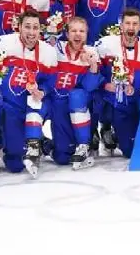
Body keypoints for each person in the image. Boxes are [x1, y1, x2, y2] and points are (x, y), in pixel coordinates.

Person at [0, 10, 58, 177]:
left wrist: (42, 91)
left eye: (35, 27)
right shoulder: (4, 44)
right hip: (8, 107)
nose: (31, 32)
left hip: (30, 106)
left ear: (40, 29)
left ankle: (36, 139)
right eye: (27, 27)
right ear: (19, 27)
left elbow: (50, 82)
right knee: (15, 164)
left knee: (42, 105)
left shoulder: (48, 52)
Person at [94, 8, 140, 157]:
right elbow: (93, 71)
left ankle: (117, 134)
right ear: (121, 25)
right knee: (93, 98)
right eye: (127, 23)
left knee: (132, 150)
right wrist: (104, 84)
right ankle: (103, 126)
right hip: (112, 101)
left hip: (135, 101)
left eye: (135, 24)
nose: (131, 27)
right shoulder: (105, 45)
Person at [48, 17, 102, 170]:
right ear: (67, 34)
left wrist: (92, 64)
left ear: (86, 34)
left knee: (77, 95)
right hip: (58, 106)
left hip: (78, 106)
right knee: (62, 158)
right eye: (73, 31)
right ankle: (44, 145)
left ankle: (84, 145)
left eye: (82, 31)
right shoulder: (56, 48)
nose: (78, 34)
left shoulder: (92, 52)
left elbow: (90, 87)